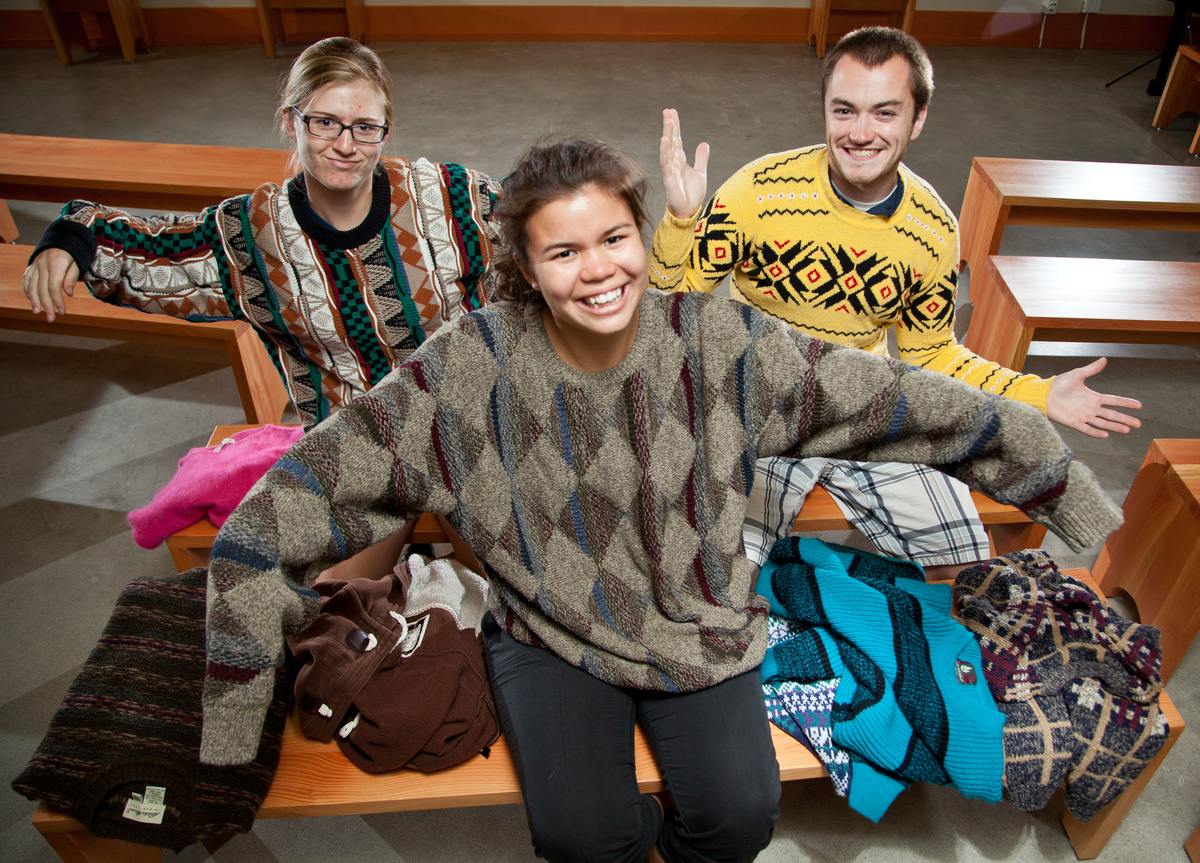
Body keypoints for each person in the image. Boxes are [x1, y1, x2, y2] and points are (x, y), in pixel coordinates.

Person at [198, 136, 1122, 862]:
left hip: (699, 616)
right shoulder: (461, 374)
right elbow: (277, 516)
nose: (598, 269)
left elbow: (895, 402)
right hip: (550, 633)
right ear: (524, 268)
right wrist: (234, 727)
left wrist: (1052, 476)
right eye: (562, 251)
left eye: (614, 238)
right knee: (580, 838)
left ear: (643, 236)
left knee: (740, 816)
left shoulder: (716, 340)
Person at [652, 26, 1141, 578]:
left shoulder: (932, 230)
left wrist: (1039, 394)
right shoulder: (756, 192)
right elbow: (669, 314)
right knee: (715, 574)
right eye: (844, 111)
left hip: (865, 406)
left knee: (966, 566)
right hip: (758, 404)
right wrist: (681, 220)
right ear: (826, 112)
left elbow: (932, 356)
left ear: (919, 117)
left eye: (884, 113)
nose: (860, 133)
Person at [22, 37, 500, 428]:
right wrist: (71, 240)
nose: (346, 145)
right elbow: (155, 251)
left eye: (364, 126)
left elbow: (546, 219)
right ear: (292, 122)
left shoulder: (451, 198)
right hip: (355, 442)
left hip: (472, 423)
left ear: (386, 130)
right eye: (325, 123)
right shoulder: (250, 236)